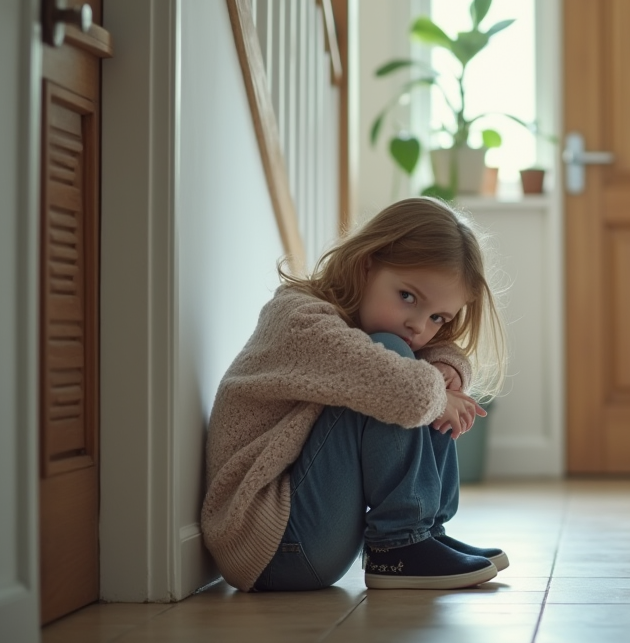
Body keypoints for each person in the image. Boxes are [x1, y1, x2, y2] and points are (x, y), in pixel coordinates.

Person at [201, 197, 509, 591]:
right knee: (394, 367)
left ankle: (425, 532)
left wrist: (448, 368)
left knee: (419, 372)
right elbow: (395, 383)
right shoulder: (299, 318)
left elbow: (428, 364)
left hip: (306, 538)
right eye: (408, 297)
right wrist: (434, 389)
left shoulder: (369, 328)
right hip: (272, 541)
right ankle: (401, 545)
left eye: (437, 317)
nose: (418, 326)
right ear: (366, 264)